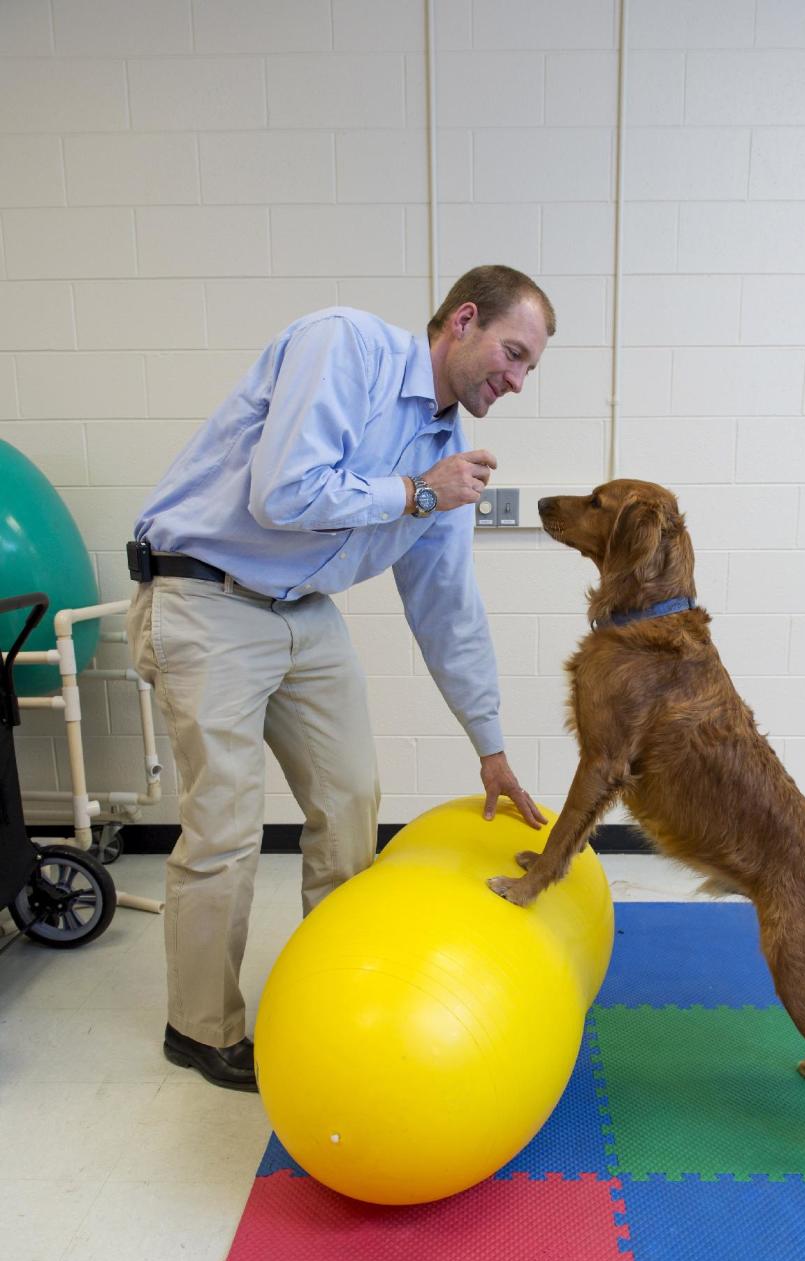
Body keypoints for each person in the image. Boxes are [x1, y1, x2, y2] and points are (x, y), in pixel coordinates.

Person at [126, 264, 555, 1091]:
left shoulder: (446, 451)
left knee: (351, 798)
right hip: (203, 590)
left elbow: (447, 607)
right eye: (512, 352)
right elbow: (284, 492)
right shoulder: (344, 345)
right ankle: (199, 1027)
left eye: (529, 367)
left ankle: (338, 1000)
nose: (516, 380)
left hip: (300, 607)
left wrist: (490, 745)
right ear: (462, 319)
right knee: (225, 820)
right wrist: (416, 494)